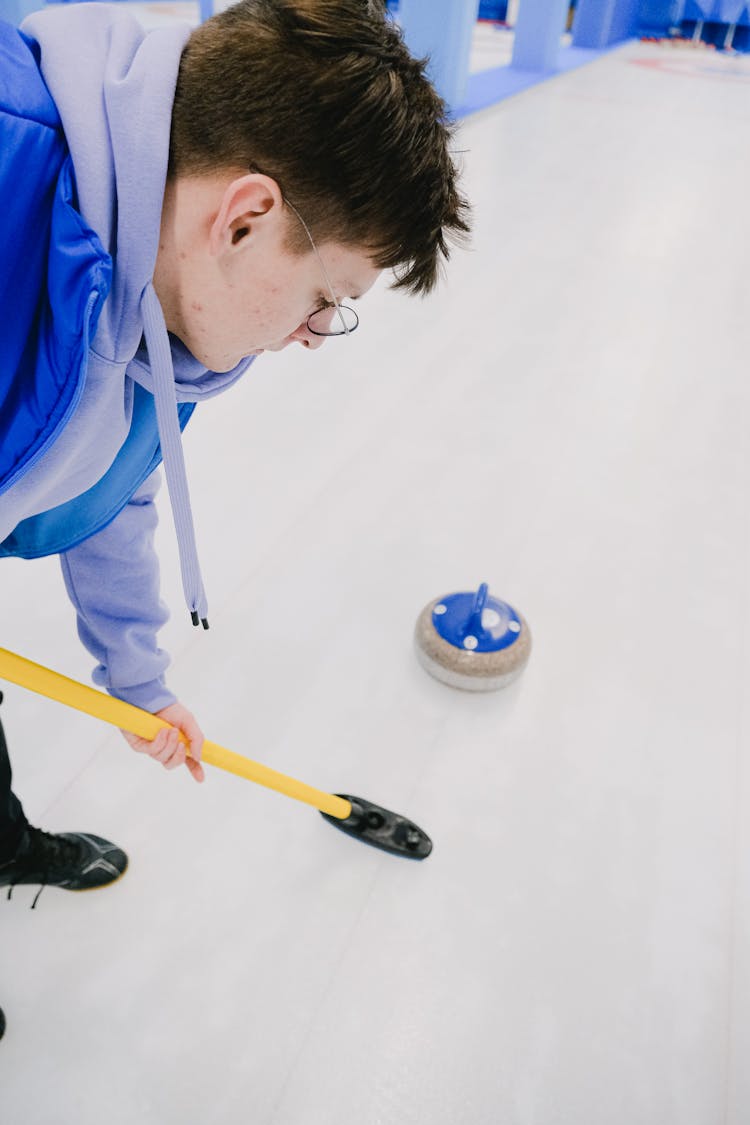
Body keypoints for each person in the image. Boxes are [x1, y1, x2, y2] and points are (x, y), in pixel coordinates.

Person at [0, 0, 469, 917]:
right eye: (327, 296)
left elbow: (110, 476)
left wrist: (136, 677)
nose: (316, 333)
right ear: (246, 217)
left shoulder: (172, 298)